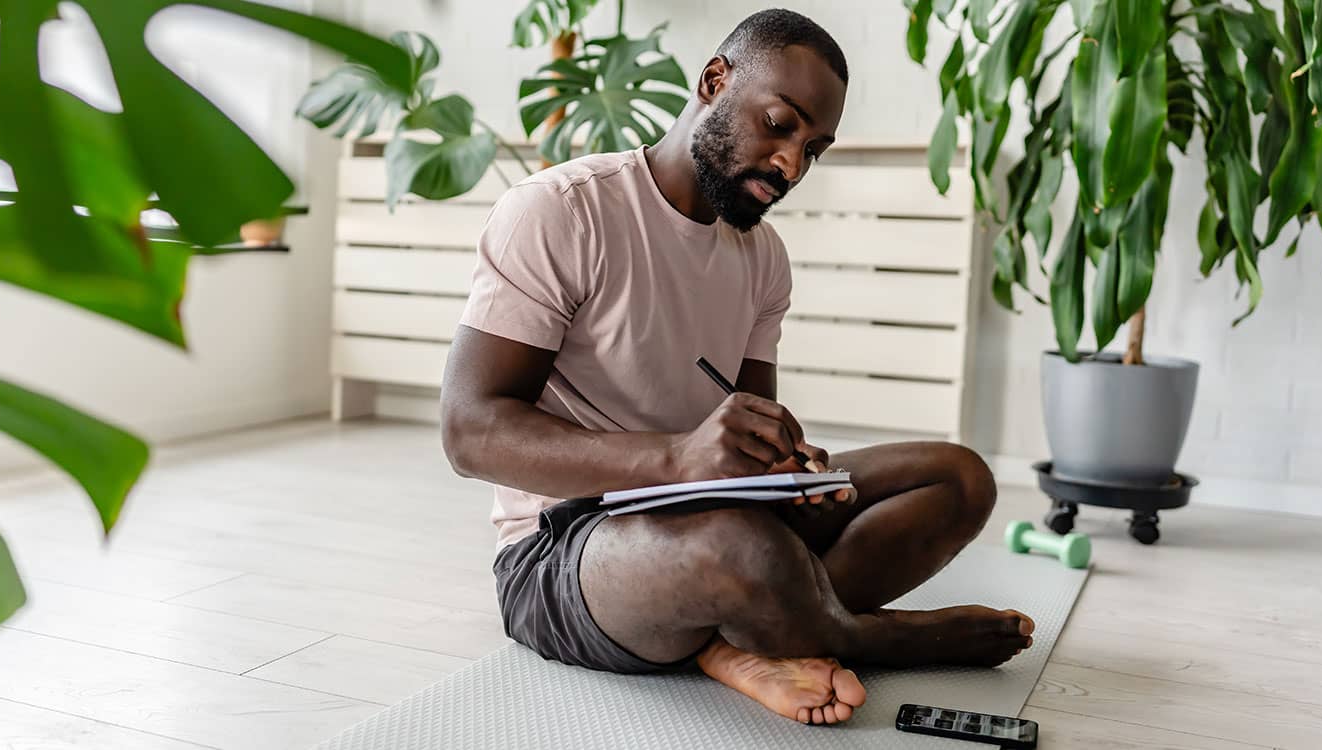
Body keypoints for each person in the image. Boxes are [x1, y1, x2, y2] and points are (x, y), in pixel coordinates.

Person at [440, 8, 1034, 726]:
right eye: (779, 124)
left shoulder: (763, 259)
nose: (791, 164)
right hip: (565, 550)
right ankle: (864, 636)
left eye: (814, 149)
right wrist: (677, 460)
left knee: (957, 476)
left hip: (711, 516)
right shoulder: (562, 212)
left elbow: (749, 446)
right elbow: (470, 433)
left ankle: (744, 637)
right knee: (742, 549)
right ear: (714, 81)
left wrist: (789, 468)